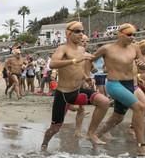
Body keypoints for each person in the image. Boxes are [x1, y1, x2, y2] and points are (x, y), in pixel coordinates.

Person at [41, 22, 110, 151]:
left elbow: (77, 68)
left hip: (78, 91)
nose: (81, 34)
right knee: (55, 128)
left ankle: (91, 133)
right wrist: (74, 60)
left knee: (104, 102)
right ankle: (44, 145)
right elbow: (53, 64)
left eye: (82, 31)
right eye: (77, 31)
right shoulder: (63, 48)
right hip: (63, 94)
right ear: (68, 33)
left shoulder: (82, 49)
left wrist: (86, 77)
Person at [94, 24, 145, 156]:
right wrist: (87, 76)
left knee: (118, 117)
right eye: (129, 34)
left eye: (134, 34)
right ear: (120, 34)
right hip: (114, 84)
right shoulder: (107, 48)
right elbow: (90, 60)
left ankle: (95, 135)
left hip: (129, 84)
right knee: (140, 108)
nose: (132, 37)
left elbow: (143, 68)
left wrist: (142, 66)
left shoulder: (135, 48)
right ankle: (142, 146)